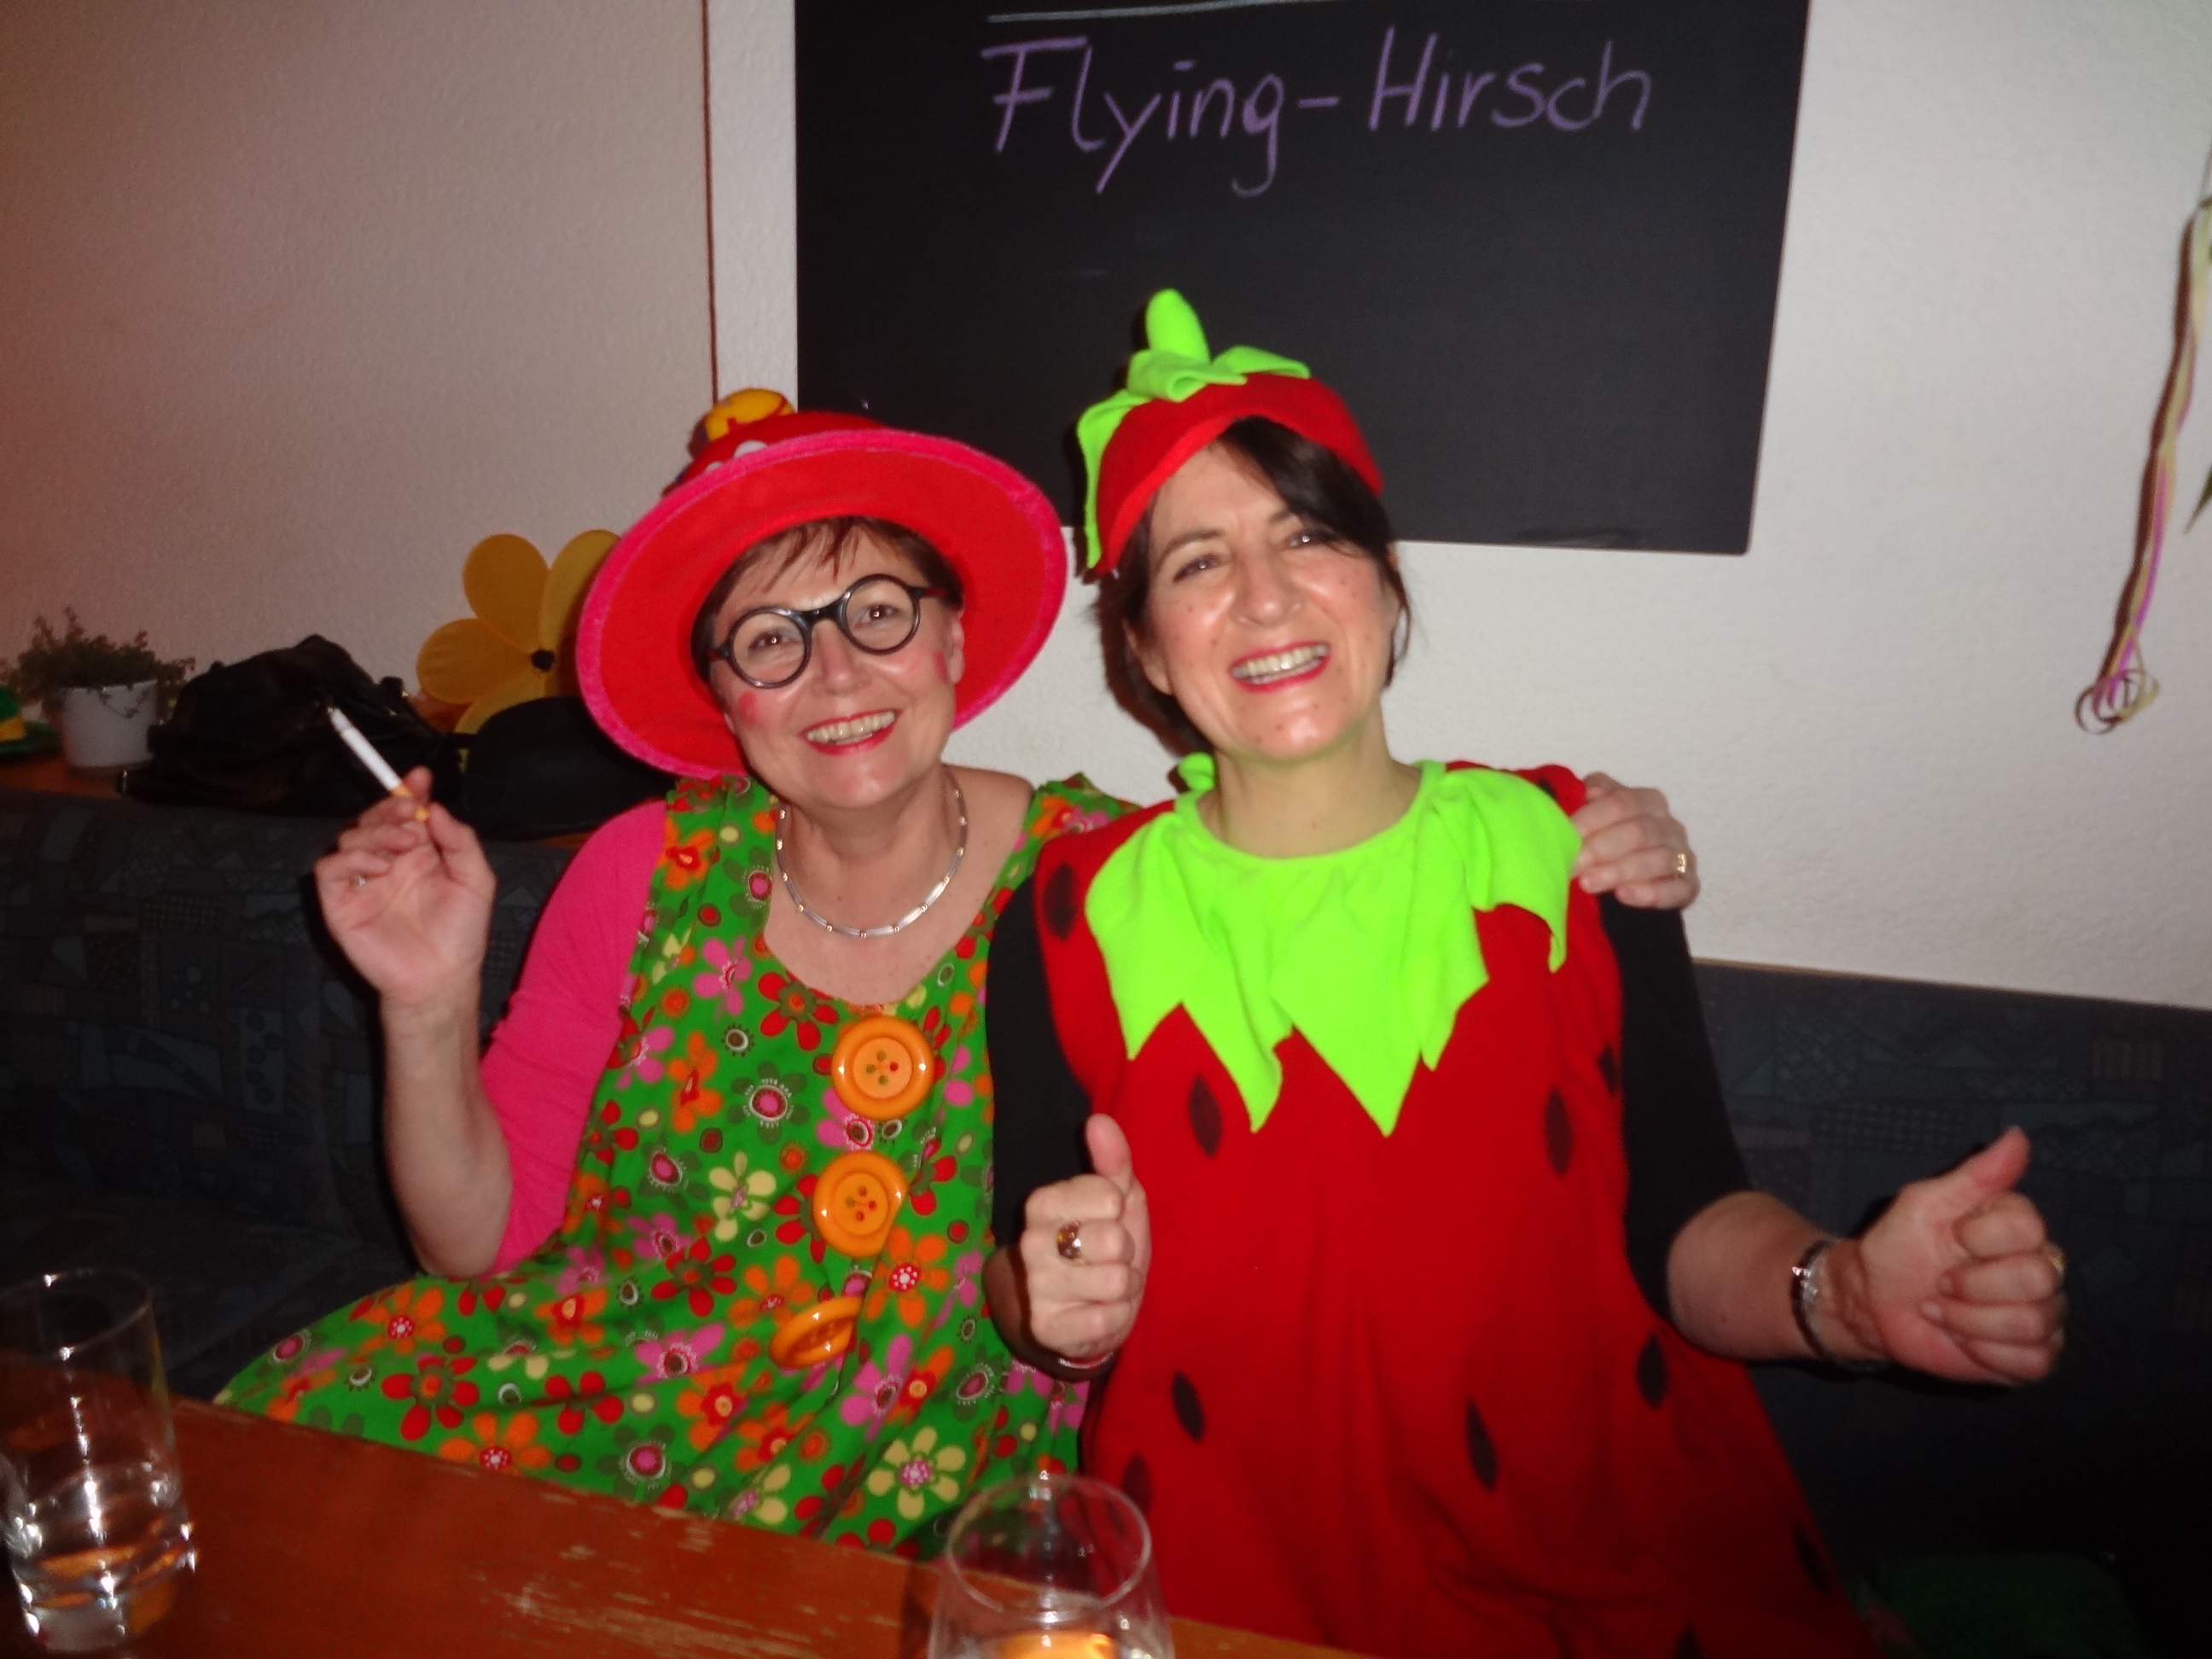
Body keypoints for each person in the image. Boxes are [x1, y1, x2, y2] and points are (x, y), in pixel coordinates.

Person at [214, 387, 1709, 1554]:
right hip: (594, 1411)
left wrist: (1566, 831)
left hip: (931, 1485)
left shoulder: (1104, 883)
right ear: (724, 696)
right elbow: (475, 1251)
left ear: (951, 637)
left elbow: (1341, 864)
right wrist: (426, 1003)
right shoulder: (641, 871)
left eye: (878, 613)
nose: (838, 675)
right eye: (770, 640)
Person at [987, 293, 2067, 1654]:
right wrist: (1057, 1307)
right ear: (1141, 643)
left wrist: (1839, 1295)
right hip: (1231, 1583)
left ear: (1386, 578)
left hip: (1605, 1563)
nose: (1266, 596)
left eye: (1309, 534)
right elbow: (1027, 1264)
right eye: (1199, 562)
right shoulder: (1065, 919)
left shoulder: (1575, 853)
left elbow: (1688, 1220)